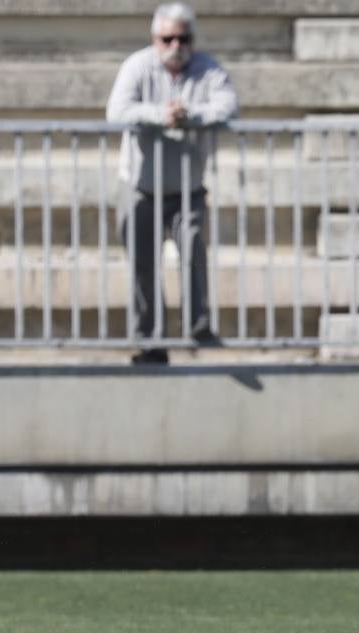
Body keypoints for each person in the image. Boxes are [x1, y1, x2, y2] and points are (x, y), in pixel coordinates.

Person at [106, 2, 237, 365]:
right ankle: (151, 343)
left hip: (187, 189)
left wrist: (190, 117)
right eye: (167, 38)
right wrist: (160, 116)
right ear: (155, 39)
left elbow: (228, 106)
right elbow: (117, 111)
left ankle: (198, 327)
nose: (175, 45)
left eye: (183, 38)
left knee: (193, 257)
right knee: (143, 268)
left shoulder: (208, 68)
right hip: (140, 187)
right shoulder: (137, 65)